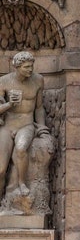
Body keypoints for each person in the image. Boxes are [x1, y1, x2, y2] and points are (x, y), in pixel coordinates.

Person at [0, 51, 48, 198]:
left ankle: (21, 183)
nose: (30, 70)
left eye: (31, 66)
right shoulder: (4, 81)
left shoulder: (38, 80)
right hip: (8, 125)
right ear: (17, 66)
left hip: (26, 124)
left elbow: (39, 108)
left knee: (21, 148)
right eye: (26, 67)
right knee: (0, 169)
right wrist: (9, 104)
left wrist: (41, 128)